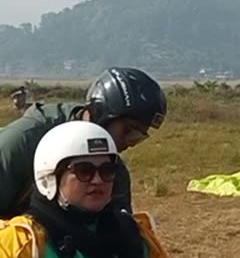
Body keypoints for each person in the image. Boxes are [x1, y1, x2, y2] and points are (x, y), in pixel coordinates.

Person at [0, 121, 180, 258]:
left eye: (107, 170)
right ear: (51, 176)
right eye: (84, 171)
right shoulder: (23, 244)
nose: (98, 180)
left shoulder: (134, 237)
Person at [0, 68, 167, 220]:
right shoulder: (22, 142)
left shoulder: (112, 173)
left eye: (138, 138)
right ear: (104, 114)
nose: (130, 143)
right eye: (129, 131)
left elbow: (119, 235)